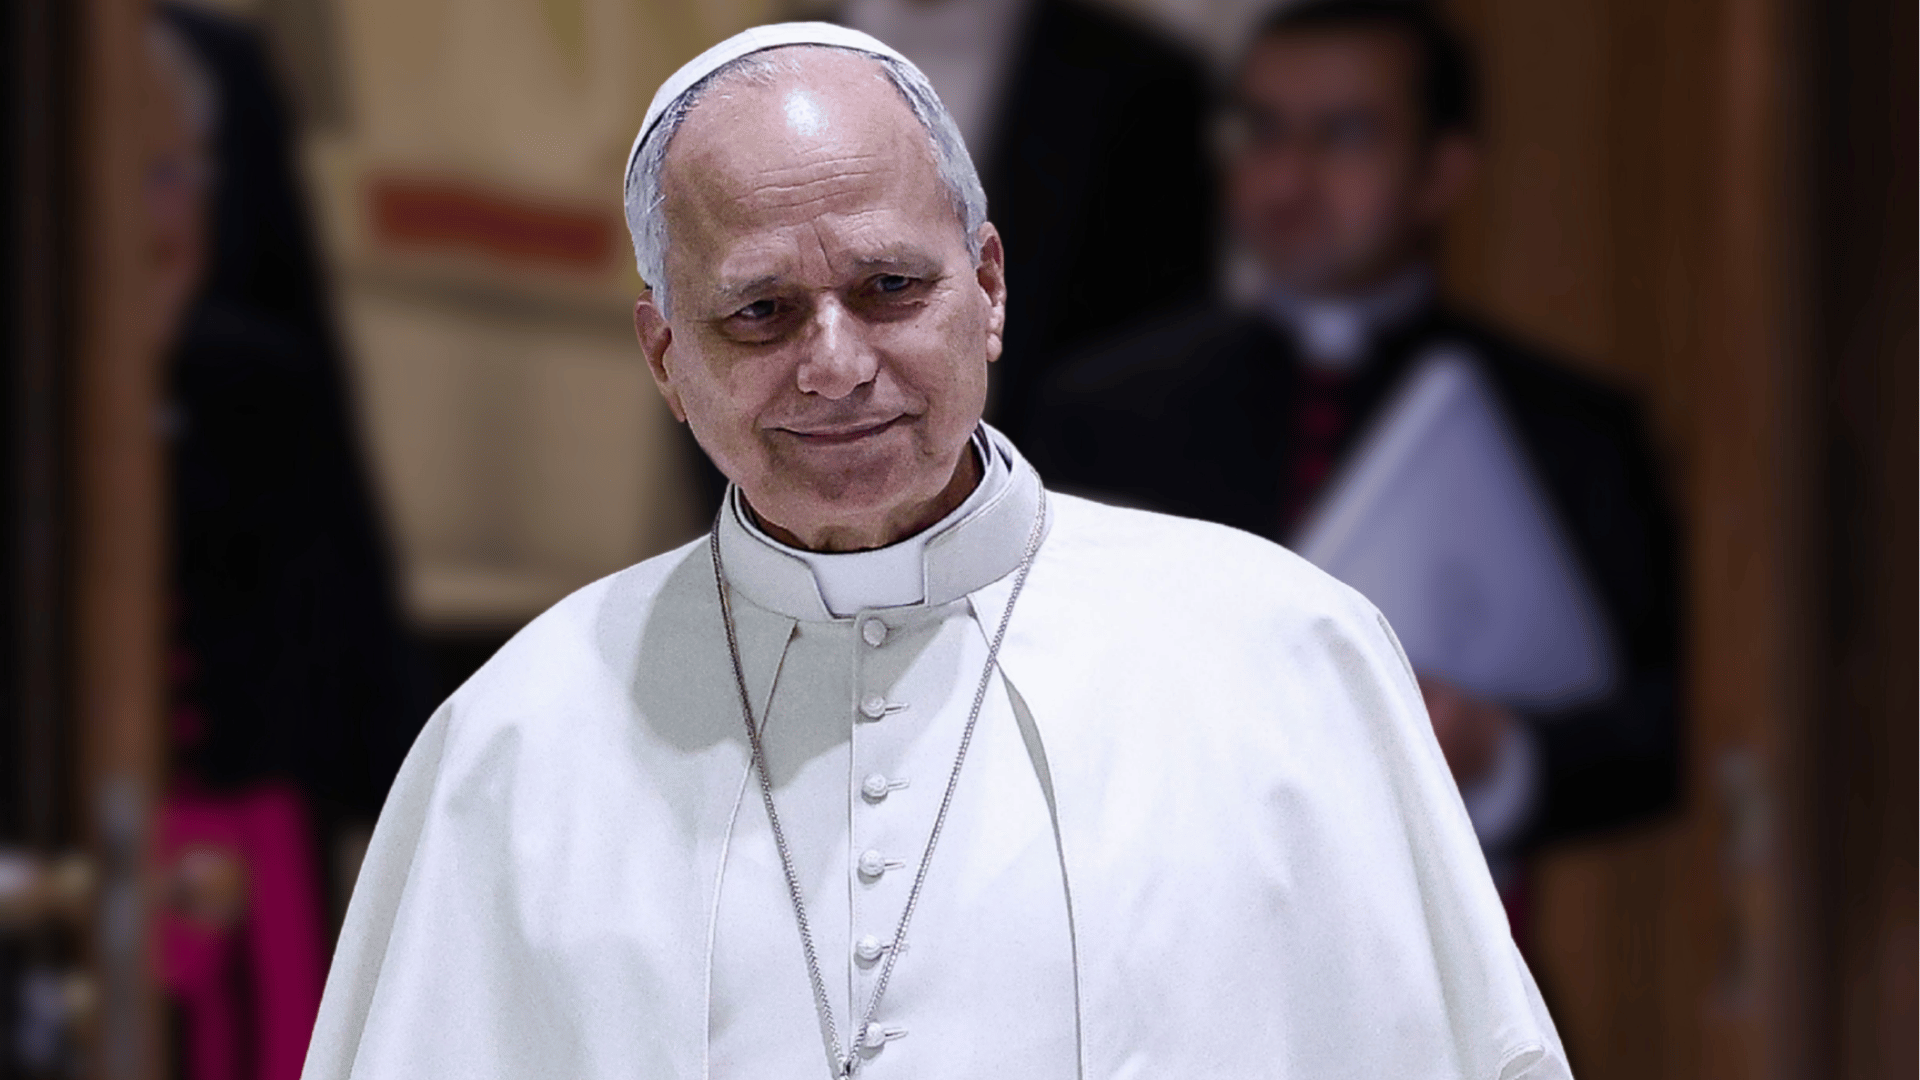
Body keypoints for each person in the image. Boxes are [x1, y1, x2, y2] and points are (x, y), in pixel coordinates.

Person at [303, 25, 1569, 1079]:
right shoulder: (516, 745)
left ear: (991, 286)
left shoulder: (1284, 654)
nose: (838, 362)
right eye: (761, 312)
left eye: (893, 288)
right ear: (664, 359)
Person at [1025, 0, 1682, 925]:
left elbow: (1659, 733)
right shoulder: (1100, 415)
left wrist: (1499, 752)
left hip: (1456, 969)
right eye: (1263, 131)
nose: (1287, 179)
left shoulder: (1568, 425)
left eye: (1346, 135)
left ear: (1442, 170)